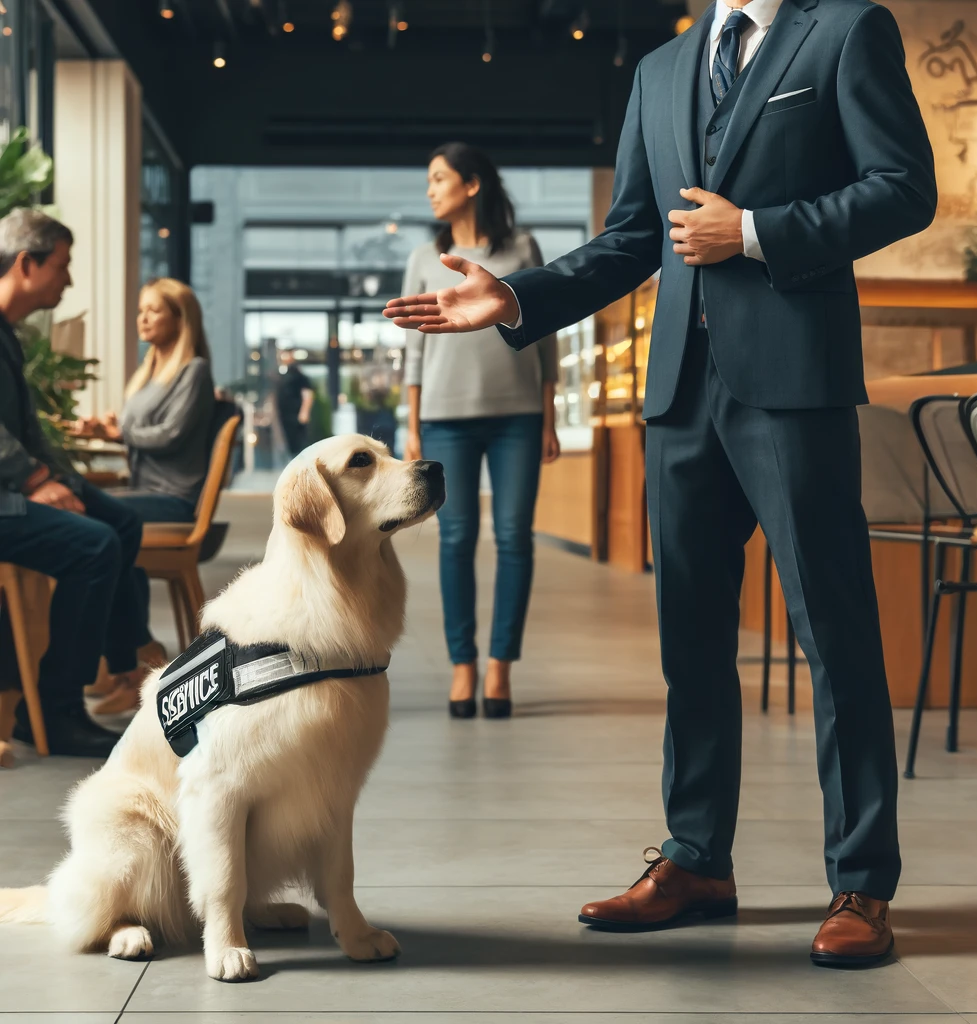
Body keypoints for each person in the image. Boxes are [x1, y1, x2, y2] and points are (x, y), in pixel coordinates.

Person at [385, 0, 937, 965]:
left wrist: (759, 230)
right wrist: (522, 297)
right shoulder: (662, 68)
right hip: (681, 391)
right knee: (690, 638)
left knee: (833, 629)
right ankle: (696, 858)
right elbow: (635, 236)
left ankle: (862, 880)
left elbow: (903, 189)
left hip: (795, 384)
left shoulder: (848, 30)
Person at [401, 142, 560, 720]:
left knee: (516, 539)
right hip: (445, 418)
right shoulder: (425, 257)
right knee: (456, 539)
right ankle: (463, 665)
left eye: (439, 178)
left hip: (519, 415)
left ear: (471, 185)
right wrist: (412, 423)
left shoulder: (521, 248)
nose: (430, 189)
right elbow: (413, 347)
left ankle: (500, 667)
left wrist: (548, 412)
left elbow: (546, 333)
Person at [0, 209, 144, 758]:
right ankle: (56, 712)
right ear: (26, 264)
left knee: (120, 521)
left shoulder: (8, 336)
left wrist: (62, 480)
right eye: (62, 266)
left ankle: (121, 668)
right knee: (94, 546)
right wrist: (37, 480)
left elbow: (28, 430)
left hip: (14, 488)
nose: (69, 280)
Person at [74, 278, 215, 714]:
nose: (144, 318)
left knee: (96, 522)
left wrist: (120, 431)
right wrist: (110, 429)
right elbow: (141, 432)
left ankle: (128, 661)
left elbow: (170, 435)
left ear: (181, 316)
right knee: (108, 532)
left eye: (154, 310)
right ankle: (131, 660)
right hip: (144, 490)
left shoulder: (193, 370)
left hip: (172, 498)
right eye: (141, 311)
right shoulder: (152, 368)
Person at [276, 346, 315, 455]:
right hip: (284, 415)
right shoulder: (281, 374)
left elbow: (307, 395)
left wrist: (304, 412)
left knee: (298, 445)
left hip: (295, 414)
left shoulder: (298, 375)